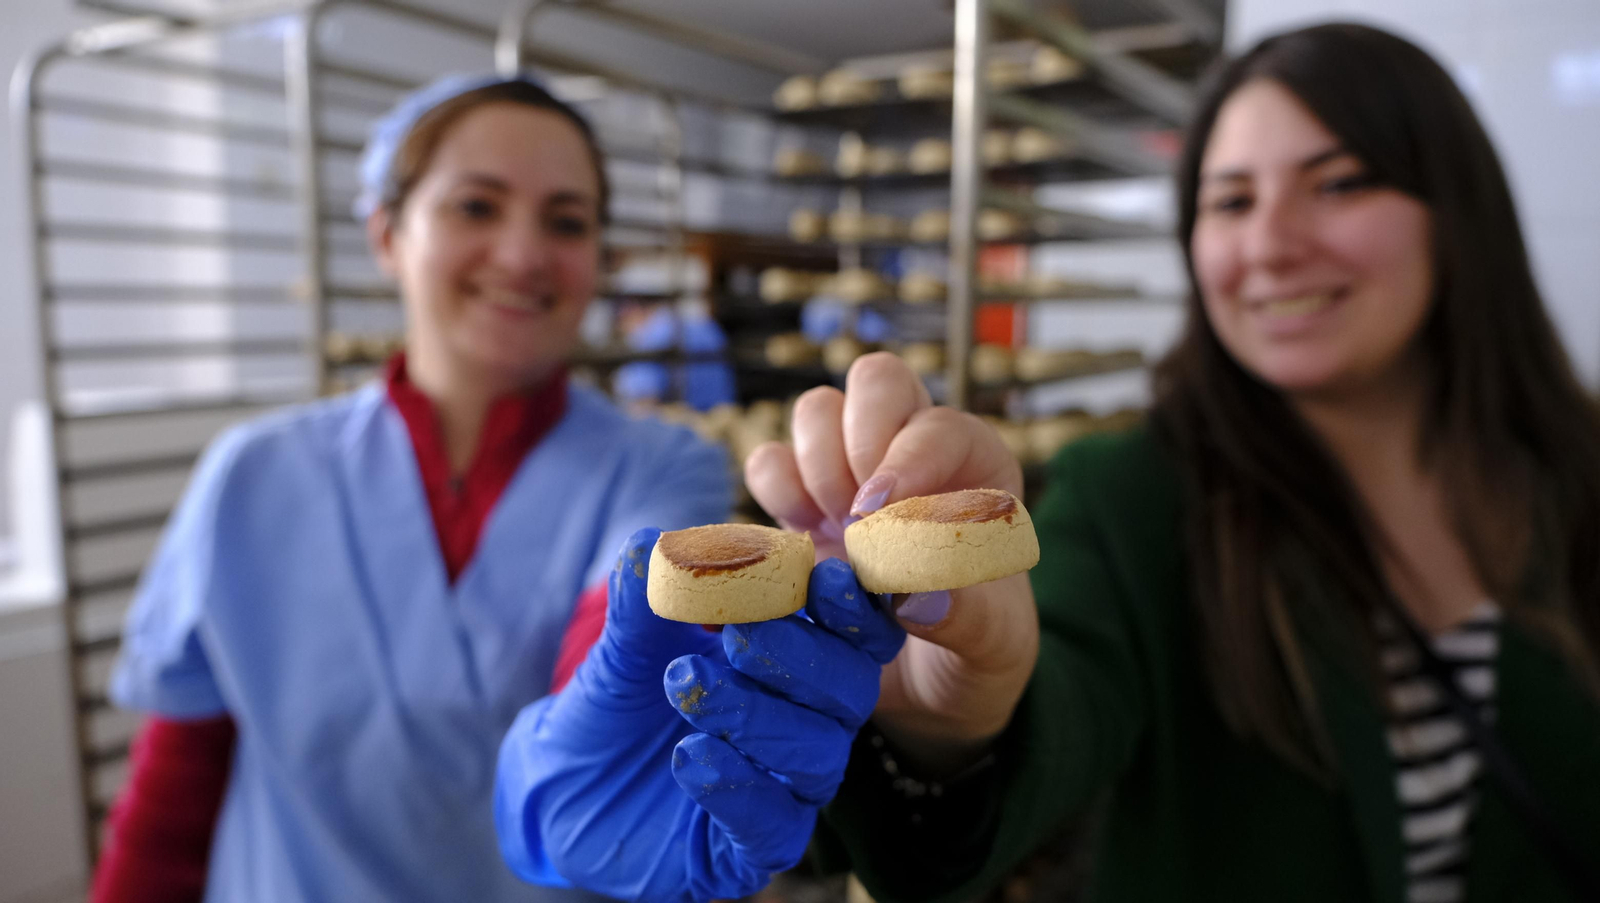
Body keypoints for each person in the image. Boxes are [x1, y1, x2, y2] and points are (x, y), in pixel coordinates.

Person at [493, 22, 1600, 903]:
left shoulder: (1576, 478)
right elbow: (1056, 694)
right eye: (1229, 200)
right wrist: (955, 712)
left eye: (1341, 182)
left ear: (1456, 214)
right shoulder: (1138, 497)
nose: (1269, 242)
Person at [93, 73, 731, 902]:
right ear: (387, 233)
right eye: (476, 205)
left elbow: (618, 664)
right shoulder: (251, 474)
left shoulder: (663, 467)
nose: (523, 253)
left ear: (597, 263)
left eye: (567, 221)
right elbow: (176, 789)